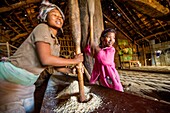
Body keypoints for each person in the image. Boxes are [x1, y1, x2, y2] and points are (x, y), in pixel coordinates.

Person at [0, 1, 83, 113]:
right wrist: (74, 60)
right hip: (8, 80)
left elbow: (55, 65)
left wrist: (71, 70)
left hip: (27, 84)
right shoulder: (42, 28)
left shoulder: (56, 42)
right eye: (54, 14)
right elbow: (46, 59)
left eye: (61, 17)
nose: (59, 18)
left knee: (31, 110)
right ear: (45, 17)